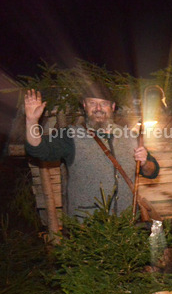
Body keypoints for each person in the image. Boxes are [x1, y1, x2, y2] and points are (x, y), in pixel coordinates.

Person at [24, 83, 159, 219]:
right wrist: (31, 121)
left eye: (104, 104)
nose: (98, 108)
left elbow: (153, 172)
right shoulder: (70, 136)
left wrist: (144, 163)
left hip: (126, 225)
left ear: (112, 107)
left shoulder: (131, 136)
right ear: (84, 105)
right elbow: (39, 150)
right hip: (88, 229)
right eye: (92, 103)